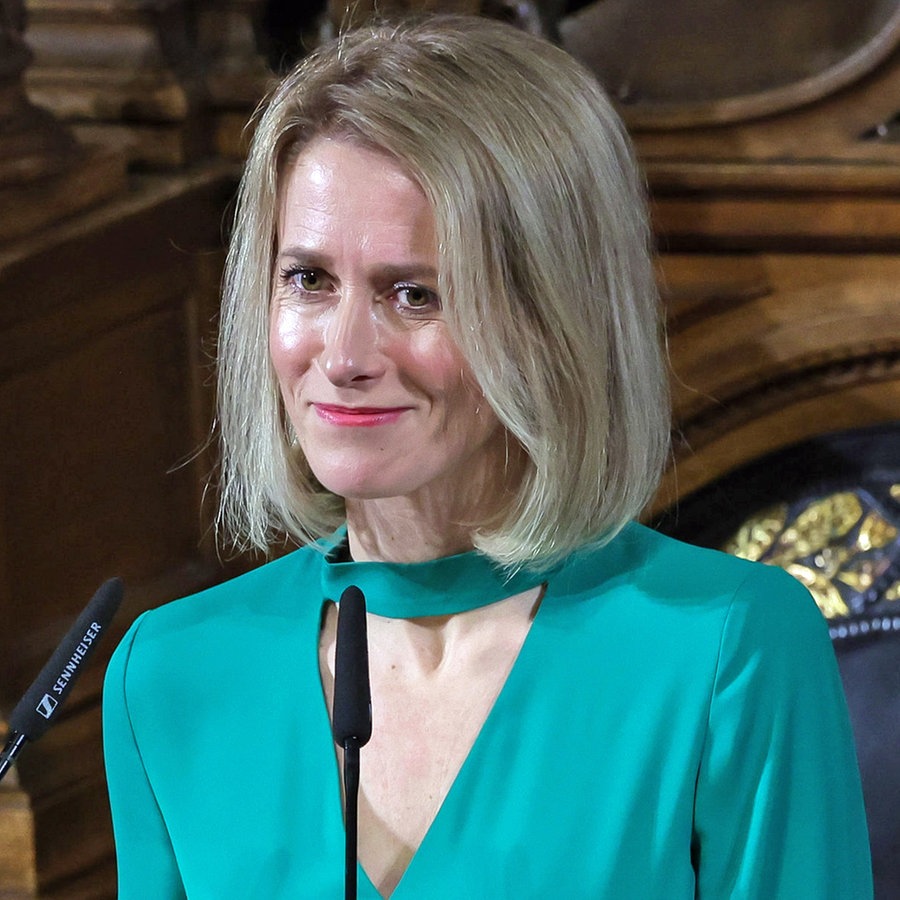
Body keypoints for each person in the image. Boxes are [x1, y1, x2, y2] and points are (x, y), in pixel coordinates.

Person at [102, 14, 872, 899]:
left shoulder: (726, 650)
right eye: (308, 279)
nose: (344, 355)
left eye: (414, 293)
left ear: (551, 323)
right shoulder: (170, 675)